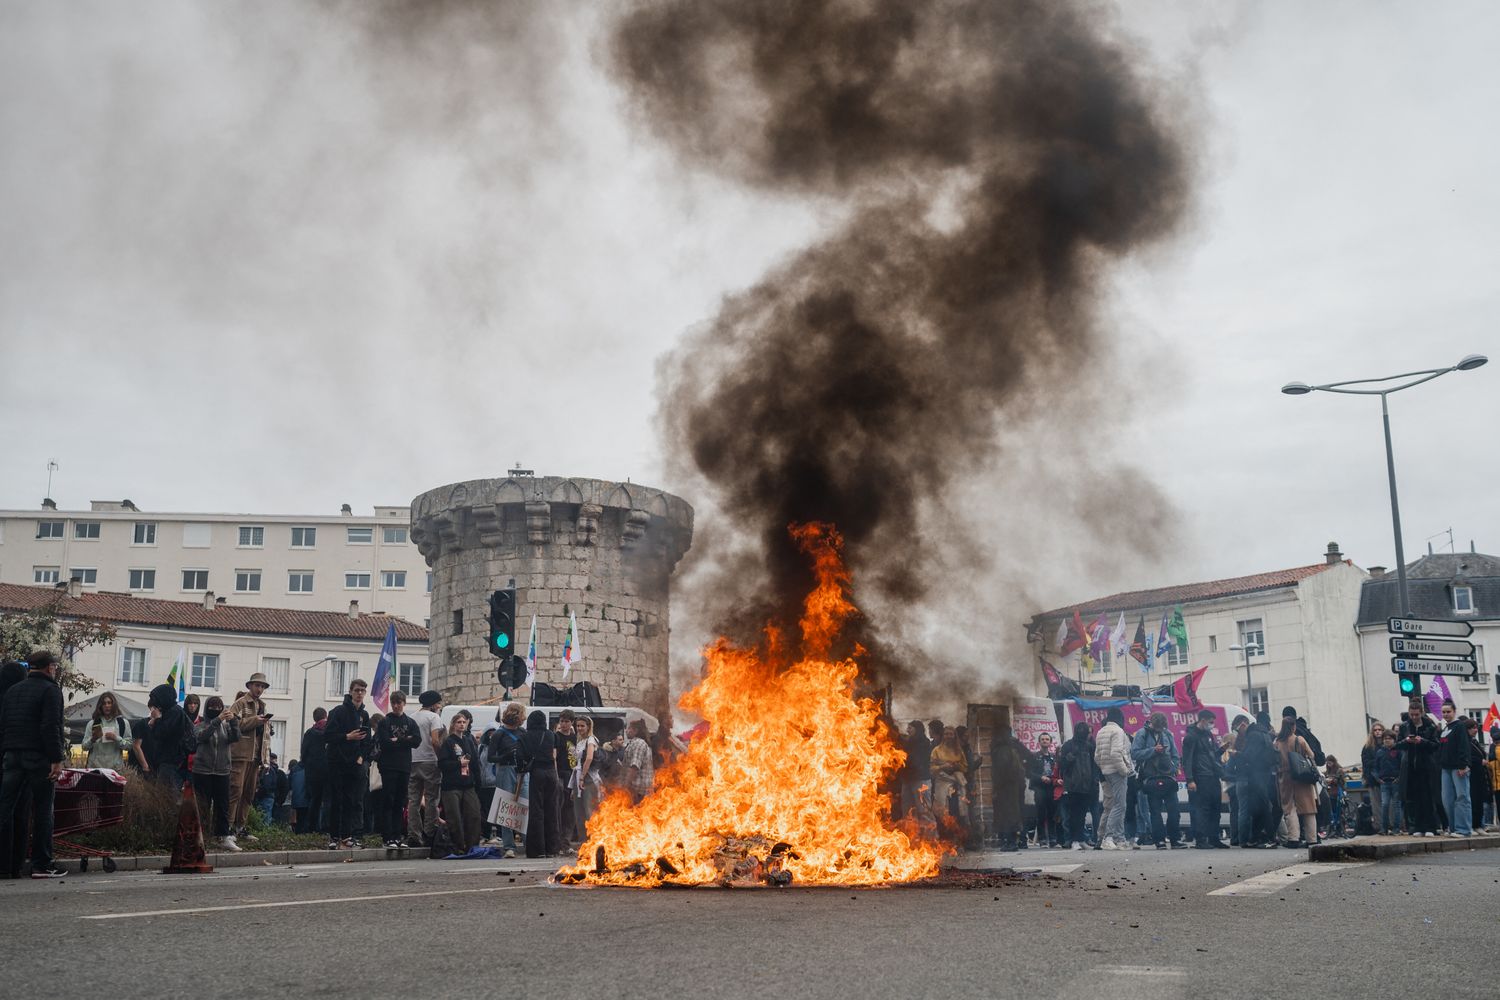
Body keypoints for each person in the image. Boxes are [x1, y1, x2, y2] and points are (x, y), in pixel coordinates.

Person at [0, 650, 68, 878]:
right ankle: (41, 864)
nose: (56, 670)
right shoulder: (51, 690)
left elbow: (4, 724)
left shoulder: (13, 690)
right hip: (38, 757)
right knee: (42, 810)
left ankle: (3, 863)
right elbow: (51, 727)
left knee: (5, 809)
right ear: (49, 667)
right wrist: (57, 758)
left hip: (11, 755)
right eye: (55, 667)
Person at [324, 678, 373, 849]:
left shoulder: (364, 715)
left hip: (355, 763)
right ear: (351, 691)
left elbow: (368, 741)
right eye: (357, 690)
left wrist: (361, 757)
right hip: (337, 761)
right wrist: (347, 737)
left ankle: (346, 835)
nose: (359, 694)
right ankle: (333, 835)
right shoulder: (338, 711)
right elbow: (328, 736)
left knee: (351, 800)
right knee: (336, 800)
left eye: (362, 691)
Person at [227, 672, 273, 840]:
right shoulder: (239, 704)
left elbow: (261, 732)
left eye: (262, 686)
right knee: (235, 791)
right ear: (249, 686)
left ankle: (240, 827)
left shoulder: (262, 705)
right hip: (240, 755)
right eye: (257, 685)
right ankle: (228, 828)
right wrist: (256, 721)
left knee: (248, 794)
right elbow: (232, 725)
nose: (259, 689)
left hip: (256, 757)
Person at [193, 695, 241, 850]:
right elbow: (202, 737)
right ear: (207, 709)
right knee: (203, 805)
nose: (216, 709)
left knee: (222, 805)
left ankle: (223, 836)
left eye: (219, 707)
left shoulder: (226, 727)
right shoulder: (200, 725)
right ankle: (202, 835)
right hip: (202, 771)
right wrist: (218, 720)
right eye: (212, 707)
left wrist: (233, 720)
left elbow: (236, 737)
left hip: (222, 771)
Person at [374, 690, 421, 848]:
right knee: (389, 800)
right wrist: (405, 740)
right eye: (393, 703)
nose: (396, 706)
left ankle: (397, 835)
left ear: (404, 703)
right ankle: (387, 837)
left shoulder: (410, 722)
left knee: (400, 802)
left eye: (399, 703)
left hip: (404, 766)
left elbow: (416, 741)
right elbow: (385, 742)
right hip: (388, 766)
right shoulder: (385, 722)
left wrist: (397, 740)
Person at [1131, 712, 1182, 849]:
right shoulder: (1142, 734)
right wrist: (1153, 750)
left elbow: (1175, 755)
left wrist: (1174, 767)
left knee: (1174, 810)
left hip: (1168, 777)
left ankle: (1175, 840)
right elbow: (1135, 753)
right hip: (1151, 778)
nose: (1160, 730)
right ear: (1152, 724)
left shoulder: (1167, 734)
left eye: (1162, 728)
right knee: (1155, 811)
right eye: (1158, 728)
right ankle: (1159, 840)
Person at [0, 660, 31, 876]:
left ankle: (3, 863)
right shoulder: (23, 699)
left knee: (4, 811)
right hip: (24, 758)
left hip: (7, 758)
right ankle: (16, 864)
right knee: (21, 812)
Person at [437, 709, 482, 855]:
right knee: (454, 818)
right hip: (452, 786)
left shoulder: (469, 741)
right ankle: (458, 845)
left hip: (468, 784)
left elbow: (475, 762)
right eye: (459, 722)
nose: (462, 725)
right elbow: (442, 764)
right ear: (453, 725)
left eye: (464, 722)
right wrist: (458, 763)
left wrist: (478, 781)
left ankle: (472, 845)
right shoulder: (448, 742)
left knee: (474, 815)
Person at [487, 703, 528, 858]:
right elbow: (491, 757)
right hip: (505, 769)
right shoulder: (499, 734)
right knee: (506, 807)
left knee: (524, 806)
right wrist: (505, 756)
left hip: (522, 771)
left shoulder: (523, 732)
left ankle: (527, 843)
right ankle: (509, 846)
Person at [1181, 709, 1226, 849]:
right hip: (1201, 777)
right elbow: (1187, 760)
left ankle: (1214, 838)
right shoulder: (1191, 736)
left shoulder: (1208, 735)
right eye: (1211, 722)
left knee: (1215, 808)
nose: (1212, 725)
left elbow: (1211, 755)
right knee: (1202, 809)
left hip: (1213, 776)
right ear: (1203, 720)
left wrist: (1221, 750)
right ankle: (1201, 839)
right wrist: (1190, 780)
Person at [521, 710, 562, 857]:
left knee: (536, 810)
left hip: (537, 772)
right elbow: (555, 755)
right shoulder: (552, 735)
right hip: (551, 772)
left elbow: (522, 755)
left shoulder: (526, 736)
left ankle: (538, 850)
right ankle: (553, 848)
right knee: (552, 810)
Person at [406, 690, 444, 848]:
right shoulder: (434, 717)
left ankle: (414, 834)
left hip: (412, 760)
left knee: (413, 800)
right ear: (434, 704)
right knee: (431, 800)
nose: (439, 706)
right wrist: (440, 757)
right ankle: (429, 833)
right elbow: (435, 740)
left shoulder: (411, 717)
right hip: (429, 761)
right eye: (438, 703)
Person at [1396, 701, 1440, 836]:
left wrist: (1423, 741)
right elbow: (1399, 744)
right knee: (1414, 798)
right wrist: (1407, 741)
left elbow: (1435, 745)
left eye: (1416, 714)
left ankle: (1430, 827)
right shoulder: (1405, 727)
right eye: (1412, 714)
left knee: (1427, 797)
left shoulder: (1430, 726)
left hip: (1426, 766)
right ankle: (1417, 827)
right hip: (1410, 766)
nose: (1414, 717)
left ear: (1421, 713)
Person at [1274, 714, 1318, 847]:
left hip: (1285, 777)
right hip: (1302, 776)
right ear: (1293, 727)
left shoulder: (1277, 742)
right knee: (1308, 808)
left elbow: (1274, 760)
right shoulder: (1299, 739)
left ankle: (1293, 838)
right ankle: (1312, 839)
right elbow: (1311, 755)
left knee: (1289, 808)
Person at [1093, 708, 1133, 850]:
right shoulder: (1118, 731)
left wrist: (1104, 767)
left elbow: (1096, 756)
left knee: (1116, 805)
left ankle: (1119, 838)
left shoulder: (1101, 731)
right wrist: (1124, 770)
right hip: (1117, 772)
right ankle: (1108, 837)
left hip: (1106, 772)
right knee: (1120, 805)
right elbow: (1116, 753)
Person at [139, 683, 190, 793]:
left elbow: (162, 733)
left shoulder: (175, 712)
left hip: (171, 761)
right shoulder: (170, 711)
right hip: (166, 760)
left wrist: (157, 719)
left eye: (156, 698)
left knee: (166, 796)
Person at [1435, 700, 1473, 837]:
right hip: (1445, 768)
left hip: (1458, 767)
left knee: (1462, 797)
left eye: (1448, 711)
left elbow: (1463, 746)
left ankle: (1463, 829)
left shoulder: (1460, 726)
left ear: (1454, 711)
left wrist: (1463, 765)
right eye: (1443, 712)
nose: (1445, 714)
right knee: (1447, 799)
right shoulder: (1445, 729)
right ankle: (1453, 828)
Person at [1059, 723, 1098, 850]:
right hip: (1072, 786)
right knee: (1073, 814)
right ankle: (1073, 840)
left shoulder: (1090, 747)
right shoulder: (1068, 746)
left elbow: (1094, 766)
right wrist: (1071, 755)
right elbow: (1062, 765)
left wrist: (1094, 782)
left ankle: (1080, 839)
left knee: (1082, 814)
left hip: (1086, 786)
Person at [987, 727, 1026, 850]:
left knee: (1007, 814)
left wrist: (996, 787)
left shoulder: (1002, 749)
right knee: (1012, 813)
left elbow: (1000, 770)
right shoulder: (1012, 747)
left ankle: (1010, 842)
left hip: (1006, 787)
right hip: (1014, 785)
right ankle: (1010, 841)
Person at [81, 691, 133, 770]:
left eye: (109, 703)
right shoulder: (92, 724)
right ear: (100, 706)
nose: (107, 706)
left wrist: (116, 738)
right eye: (104, 703)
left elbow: (129, 746)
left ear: (114, 705)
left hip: (115, 770)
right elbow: (84, 747)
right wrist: (93, 739)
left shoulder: (123, 723)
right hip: (95, 769)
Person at [297, 707, 329, 834]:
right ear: (325, 716)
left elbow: (304, 753)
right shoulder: (330, 731)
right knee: (328, 800)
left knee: (314, 799)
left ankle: (312, 827)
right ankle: (326, 827)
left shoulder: (309, 733)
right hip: (328, 770)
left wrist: (306, 765)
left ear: (314, 718)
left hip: (313, 772)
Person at [1028, 732, 1062, 847]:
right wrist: (1040, 777)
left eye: (1047, 739)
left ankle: (1053, 839)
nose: (1045, 741)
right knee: (1041, 813)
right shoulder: (1034, 756)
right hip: (1039, 787)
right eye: (1042, 739)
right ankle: (1042, 839)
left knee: (1052, 813)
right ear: (1039, 742)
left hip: (1051, 787)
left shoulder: (1054, 757)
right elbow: (1029, 772)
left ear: (1050, 742)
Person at [930, 727, 967, 831]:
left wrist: (956, 766)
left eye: (951, 734)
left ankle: (957, 841)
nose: (948, 736)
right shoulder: (936, 750)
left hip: (957, 785)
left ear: (954, 736)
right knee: (941, 812)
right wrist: (943, 766)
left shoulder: (959, 751)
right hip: (942, 784)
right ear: (943, 736)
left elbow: (965, 767)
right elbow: (932, 768)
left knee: (957, 812)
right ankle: (943, 840)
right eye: (946, 734)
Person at [571, 716, 602, 837]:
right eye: (578, 725)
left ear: (588, 727)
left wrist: (582, 777)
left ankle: (593, 840)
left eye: (582, 725)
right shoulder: (580, 741)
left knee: (589, 811)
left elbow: (589, 758)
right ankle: (583, 841)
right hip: (578, 777)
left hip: (588, 778)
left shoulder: (591, 740)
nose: (579, 728)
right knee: (579, 813)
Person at [554, 711, 578, 845]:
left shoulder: (575, 738)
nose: (563, 724)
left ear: (571, 723)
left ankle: (567, 838)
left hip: (572, 774)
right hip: (561, 774)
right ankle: (558, 837)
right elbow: (554, 758)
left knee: (570, 807)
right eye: (562, 721)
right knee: (560, 806)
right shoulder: (556, 737)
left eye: (566, 721)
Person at [1372, 731, 1403, 834]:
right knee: (1384, 805)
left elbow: (1403, 766)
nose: (1387, 740)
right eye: (1385, 738)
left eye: (1389, 738)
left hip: (1395, 782)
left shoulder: (1399, 751)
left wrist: (1399, 778)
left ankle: (1396, 828)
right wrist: (1377, 778)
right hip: (1384, 782)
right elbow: (1375, 767)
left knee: (1396, 805)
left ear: (1394, 740)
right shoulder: (1380, 752)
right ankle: (1384, 828)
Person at [900, 720, 931, 820]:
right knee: (908, 809)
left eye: (910, 728)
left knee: (924, 809)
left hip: (921, 780)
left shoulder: (924, 743)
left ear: (917, 729)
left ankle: (930, 835)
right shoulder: (908, 743)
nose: (907, 730)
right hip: (908, 779)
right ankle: (912, 833)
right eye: (907, 728)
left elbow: (917, 761)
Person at [1360, 722, 1387, 833]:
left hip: (1387, 779)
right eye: (1375, 730)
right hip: (1373, 779)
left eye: (1380, 730)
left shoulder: (1388, 745)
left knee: (1388, 804)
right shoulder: (1368, 747)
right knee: (1376, 805)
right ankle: (1379, 826)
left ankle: (1391, 825)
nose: (1377, 732)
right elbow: (1366, 764)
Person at [623, 719, 655, 804]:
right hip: (639, 789)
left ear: (635, 731)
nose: (626, 731)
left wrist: (626, 785)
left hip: (639, 790)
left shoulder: (638, 743)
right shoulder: (635, 743)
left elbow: (634, 766)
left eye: (629, 728)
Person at [256, 753, 286, 825]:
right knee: (268, 819)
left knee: (265, 820)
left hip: (266, 797)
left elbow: (266, 785)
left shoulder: (268, 770)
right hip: (272, 797)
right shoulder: (277, 771)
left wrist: (258, 794)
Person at [1322, 755, 1347, 839]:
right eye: (1327, 763)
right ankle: (1334, 830)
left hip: (1338, 792)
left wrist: (1332, 780)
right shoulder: (1328, 771)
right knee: (1333, 812)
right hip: (1331, 793)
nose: (1328, 764)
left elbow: (1341, 781)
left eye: (1330, 762)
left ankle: (1340, 830)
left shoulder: (1339, 770)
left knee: (1340, 812)